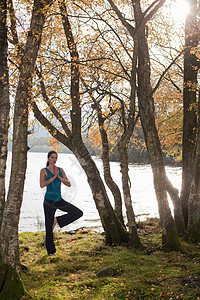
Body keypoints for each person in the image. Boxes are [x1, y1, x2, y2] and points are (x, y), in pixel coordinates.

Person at [40, 150, 83, 255]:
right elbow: (42, 185)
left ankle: (57, 220)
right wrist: (53, 177)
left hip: (59, 200)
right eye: (52, 157)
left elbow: (68, 184)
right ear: (48, 159)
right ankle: (51, 252)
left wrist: (58, 176)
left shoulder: (60, 170)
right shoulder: (44, 171)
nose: (54, 160)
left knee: (78, 213)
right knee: (49, 228)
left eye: (56, 158)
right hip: (49, 201)